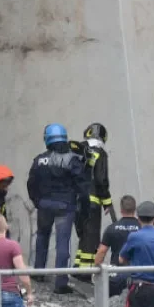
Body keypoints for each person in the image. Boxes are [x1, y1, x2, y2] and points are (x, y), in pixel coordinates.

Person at [26, 123, 89, 294]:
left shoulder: (39, 160)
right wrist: (83, 206)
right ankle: (61, 283)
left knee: (42, 237)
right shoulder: (72, 160)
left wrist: (37, 201)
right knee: (62, 244)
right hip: (65, 207)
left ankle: (39, 272)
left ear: (47, 139)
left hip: (44, 205)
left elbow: (31, 184)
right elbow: (83, 186)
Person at [73, 122, 116, 281]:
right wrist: (107, 202)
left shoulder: (78, 149)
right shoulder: (100, 153)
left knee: (83, 235)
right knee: (91, 237)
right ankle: (84, 274)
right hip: (92, 202)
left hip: (76, 201)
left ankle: (78, 267)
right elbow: (101, 179)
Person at [118, 201, 154, 307]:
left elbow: (121, 259)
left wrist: (133, 262)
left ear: (138, 218)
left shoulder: (134, 237)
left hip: (139, 288)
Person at [93, 195, 142, 294]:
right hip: (138, 274)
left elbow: (101, 252)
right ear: (135, 209)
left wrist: (97, 271)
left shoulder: (112, 228)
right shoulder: (142, 228)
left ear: (121, 210)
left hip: (116, 275)